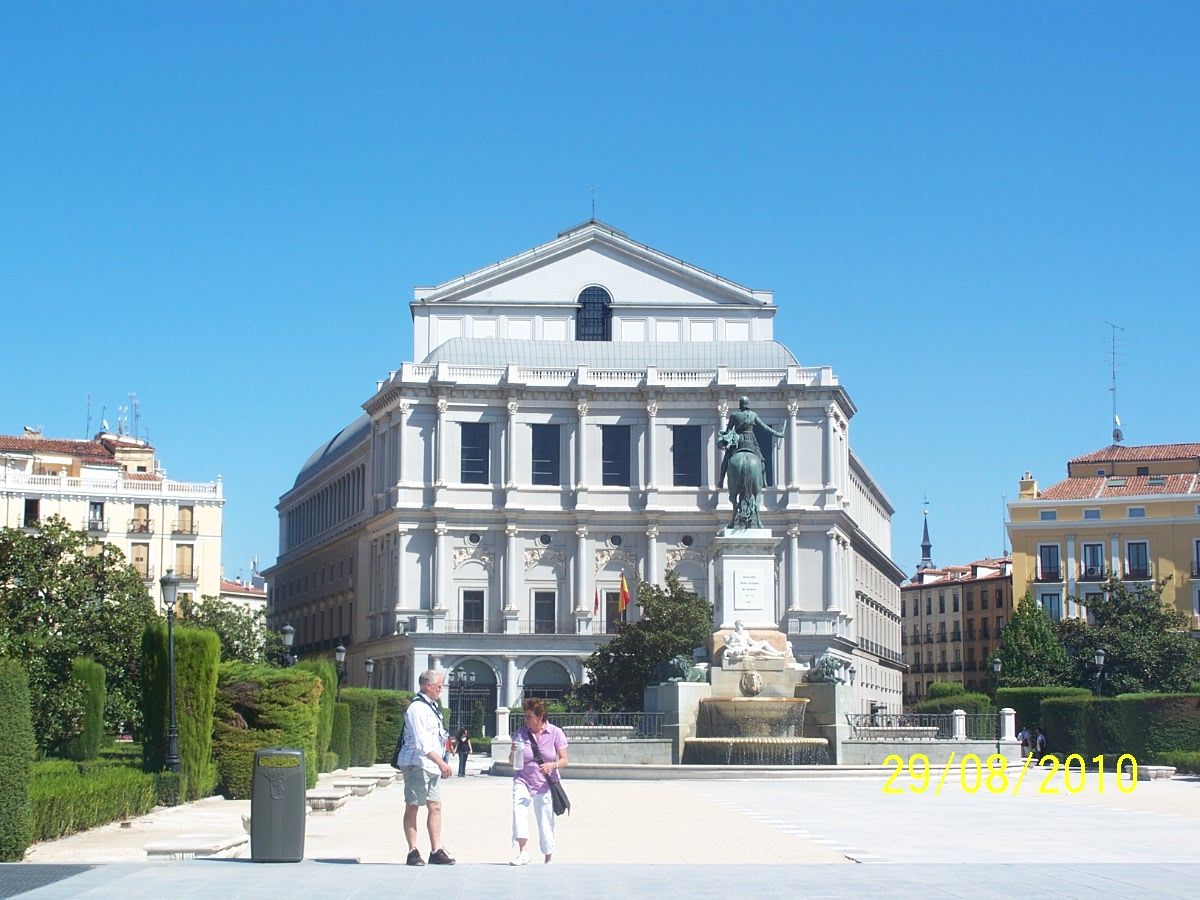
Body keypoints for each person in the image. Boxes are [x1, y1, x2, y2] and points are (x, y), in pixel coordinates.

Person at [397, 669, 455, 866]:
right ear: (428, 686)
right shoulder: (417, 709)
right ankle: (412, 851)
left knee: (435, 806)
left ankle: (435, 851)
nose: (441, 690)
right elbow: (422, 743)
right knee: (413, 806)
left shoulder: (432, 707)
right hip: (417, 763)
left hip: (433, 766)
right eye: (439, 687)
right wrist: (441, 761)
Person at [508, 698, 569, 866]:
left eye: (529, 716)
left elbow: (565, 760)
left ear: (540, 716)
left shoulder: (555, 732)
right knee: (518, 810)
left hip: (545, 783)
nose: (526, 720)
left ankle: (548, 856)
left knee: (545, 820)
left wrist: (553, 765)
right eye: (525, 716)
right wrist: (513, 752)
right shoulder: (521, 733)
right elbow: (511, 762)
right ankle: (523, 851)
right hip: (523, 779)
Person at [717, 396, 785, 489]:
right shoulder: (753, 415)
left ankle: (721, 481)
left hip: (738, 441)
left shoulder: (734, 415)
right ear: (748, 405)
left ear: (740, 405)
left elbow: (728, 431)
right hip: (750, 441)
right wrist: (778, 434)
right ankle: (764, 482)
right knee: (761, 460)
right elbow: (765, 427)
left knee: (725, 460)